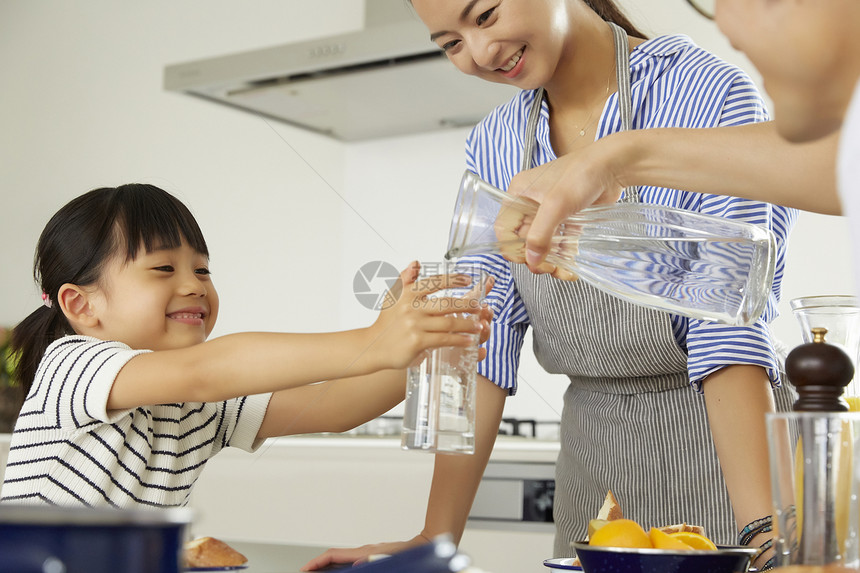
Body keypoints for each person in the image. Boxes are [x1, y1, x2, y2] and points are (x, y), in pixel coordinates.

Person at [303, 0, 797, 570]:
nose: (481, 52)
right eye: (450, 43)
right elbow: (476, 339)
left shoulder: (705, 92)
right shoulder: (496, 142)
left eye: (485, 15)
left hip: (725, 457)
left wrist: (764, 532)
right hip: (593, 461)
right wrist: (435, 538)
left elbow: (727, 325)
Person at [0, 183, 490, 508]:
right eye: (164, 268)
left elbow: (338, 406)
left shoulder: (200, 406)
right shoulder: (71, 365)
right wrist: (372, 340)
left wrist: (421, 344)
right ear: (81, 305)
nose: (194, 285)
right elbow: (211, 369)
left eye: (203, 269)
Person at [506, 1, 858, 279]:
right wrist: (611, 162)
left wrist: (613, 161)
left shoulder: (712, 88)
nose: (727, 25)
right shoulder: (500, 134)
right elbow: (837, 161)